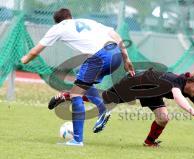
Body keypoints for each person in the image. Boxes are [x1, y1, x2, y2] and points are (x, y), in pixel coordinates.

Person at [21, 8, 135, 146]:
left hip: (100, 56)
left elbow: (36, 50)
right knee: (83, 87)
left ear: (57, 21)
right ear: (70, 17)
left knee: (76, 94)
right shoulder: (87, 21)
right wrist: (126, 59)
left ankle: (77, 139)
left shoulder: (58, 27)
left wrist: (24, 59)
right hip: (116, 54)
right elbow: (116, 35)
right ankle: (102, 108)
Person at [102, 68, 194, 147]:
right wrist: (191, 111)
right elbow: (177, 97)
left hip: (153, 93)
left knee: (163, 118)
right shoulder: (176, 81)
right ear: (193, 83)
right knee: (104, 99)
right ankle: (80, 96)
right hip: (137, 84)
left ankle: (149, 143)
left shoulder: (190, 91)